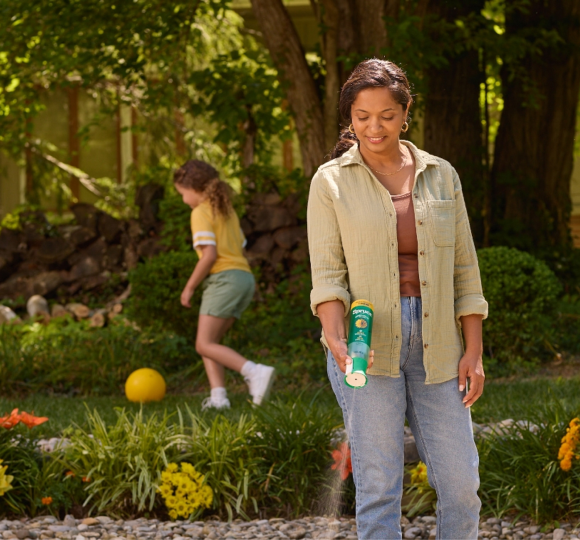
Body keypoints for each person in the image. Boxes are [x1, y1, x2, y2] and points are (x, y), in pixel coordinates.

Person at [307, 59, 488, 539]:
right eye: (362, 116)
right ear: (349, 116)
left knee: (461, 483)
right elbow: (327, 275)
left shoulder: (441, 175)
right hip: (368, 345)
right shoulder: (330, 182)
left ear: (405, 113)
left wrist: (474, 350)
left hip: (440, 345)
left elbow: (465, 271)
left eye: (386, 115)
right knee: (379, 486)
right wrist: (335, 337)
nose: (374, 126)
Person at [174, 159, 275, 410]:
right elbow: (239, 246)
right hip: (243, 278)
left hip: (224, 278)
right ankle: (219, 398)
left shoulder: (200, 212)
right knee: (210, 342)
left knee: (203, 344)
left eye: (182, 193)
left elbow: (209, 255)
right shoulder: (225, 210)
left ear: (193, 189)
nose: (183, 199)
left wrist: (189, 287)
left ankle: (254, 372)